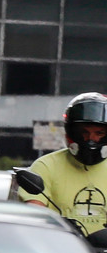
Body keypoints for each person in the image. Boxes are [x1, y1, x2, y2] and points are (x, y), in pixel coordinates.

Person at [17, 92, 107, 245]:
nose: (90, 140)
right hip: (58, 251)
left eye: (98, 133)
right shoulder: (46, 166)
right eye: (83, 132)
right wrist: (59, 227)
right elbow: (34, 213)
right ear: (70, 132)